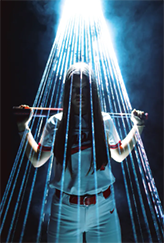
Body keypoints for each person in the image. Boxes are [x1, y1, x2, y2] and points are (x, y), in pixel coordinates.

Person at [17, 62, 146, 243]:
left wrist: (138, 126)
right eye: (75, 88)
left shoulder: (104, 121)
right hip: (64, 210)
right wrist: (23, 127)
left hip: (103, 208)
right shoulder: (55, 123)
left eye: (84, 88)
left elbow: (119, 154)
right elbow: (37, 159)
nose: (79, 93)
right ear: (67, 91)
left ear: (92, 90)